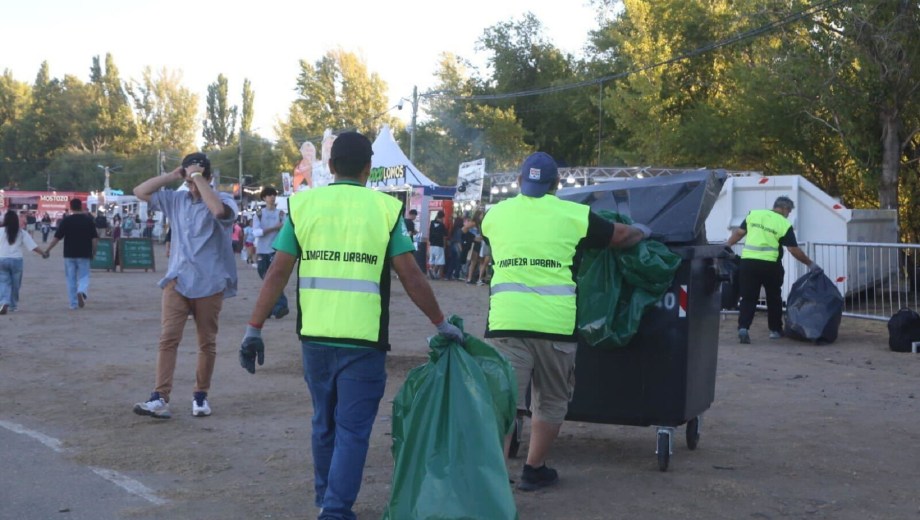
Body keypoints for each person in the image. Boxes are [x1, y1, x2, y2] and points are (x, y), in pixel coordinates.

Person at [237, 131, 463, 520]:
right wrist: (441, 323)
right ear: (367, 169)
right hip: (364, 341)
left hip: (315, 339)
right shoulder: (385, 210)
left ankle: (326, 497)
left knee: (323, 423)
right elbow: (411, 276)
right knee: (352, 431)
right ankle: (335, 510)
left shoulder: (304, 206)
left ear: (332, 166)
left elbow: (277, 271)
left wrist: (254, 328)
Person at [481, 151, 649, 492]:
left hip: (506, 322)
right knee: (551, 399)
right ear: (557, 185)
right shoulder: (574, 215)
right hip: (555, 325)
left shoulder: (493, 215)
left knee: (502, 401)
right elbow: (619, 237)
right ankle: (534, 468)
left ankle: (494, 479)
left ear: (518, 181)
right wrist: (641, 232)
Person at [131, 152, 239, 419]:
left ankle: (200, 395)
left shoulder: (223, 199)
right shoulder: (176, 199)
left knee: (206, 342)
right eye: (189, 180)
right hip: (177, 280)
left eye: (197, 179)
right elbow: (140, 191)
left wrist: (199, 178)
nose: (191, 185)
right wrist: (174, 175)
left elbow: (218, 212)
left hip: (210, 282)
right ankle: (159, 397)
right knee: (168, 339)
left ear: (209, 177)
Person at [724, 195, 820, 343]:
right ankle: (775, 330)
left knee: (748, 298)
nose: (788, 215)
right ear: (784, 209)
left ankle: (743, 328)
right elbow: (793, 250)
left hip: (748, 263)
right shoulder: (783, 223)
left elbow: (739, 233)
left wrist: (726, 246)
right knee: (773, 297)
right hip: (771, 266)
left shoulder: (754, 215)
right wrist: (810, 264)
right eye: (789, 211)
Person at [43, 199, 98, 310]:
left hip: (69, 254)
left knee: (71, 279)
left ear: (71, 207)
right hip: (84, 252)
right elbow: (94, 238)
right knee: (84, 276)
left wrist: (48, 249)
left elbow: (57, 237)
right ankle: (81, 291)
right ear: (81, 207)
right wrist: (94, 251)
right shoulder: (89, 220)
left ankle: (73, 304)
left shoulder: (66, 221)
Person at [252, 186, 289, 319]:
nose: (272, 197)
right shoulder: (259, 214)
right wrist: (274, 228)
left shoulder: (281, 214)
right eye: (269, 195)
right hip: (262, 251)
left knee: (273, 279)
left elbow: (285, 230)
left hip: (275, 250)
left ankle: (280, 306)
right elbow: (256, 232)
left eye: (273, 195)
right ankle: (269, 308)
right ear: (264, 198)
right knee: (266, 280)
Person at [1, 210, 47, 314]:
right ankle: (13, 306)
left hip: (2, 259)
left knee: (3, 282)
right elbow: (32, 246)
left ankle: (3, 301)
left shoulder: (0, 231)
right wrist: (43, 253)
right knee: (15, 284)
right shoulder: (21, 232)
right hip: (16, 260)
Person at [427, 210, 447, 280]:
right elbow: (444, 236)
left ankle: (430, 269)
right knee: (439, 260)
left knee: (432, 259)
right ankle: (433, 271)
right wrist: (444, 245)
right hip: (439, 244)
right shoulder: (442, 225)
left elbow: (429, 232)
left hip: (432, 244)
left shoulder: (432, 223)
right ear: (443, 217)